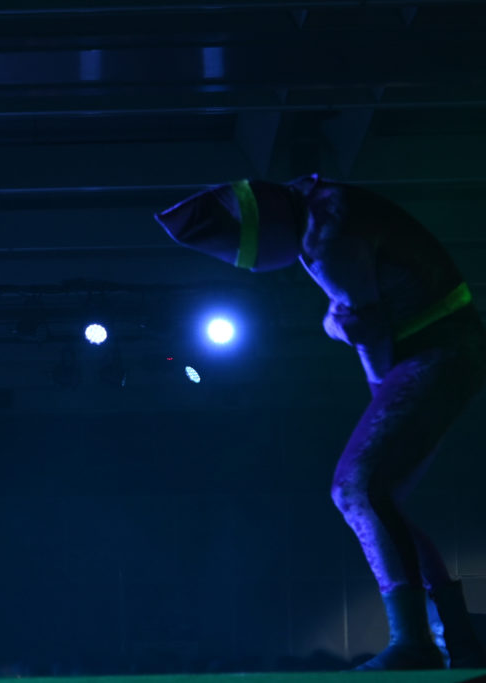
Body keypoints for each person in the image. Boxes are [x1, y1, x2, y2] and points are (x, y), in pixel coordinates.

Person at [154, 175, 486, 670]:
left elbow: (367, 328)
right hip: (448, 347)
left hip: (439, 351)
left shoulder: (324, 239)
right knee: (379, 497)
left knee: (356, 487)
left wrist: (370, 375)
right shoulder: (322, 205)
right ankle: (457, 638)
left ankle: (415, 641)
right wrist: (343, 326)